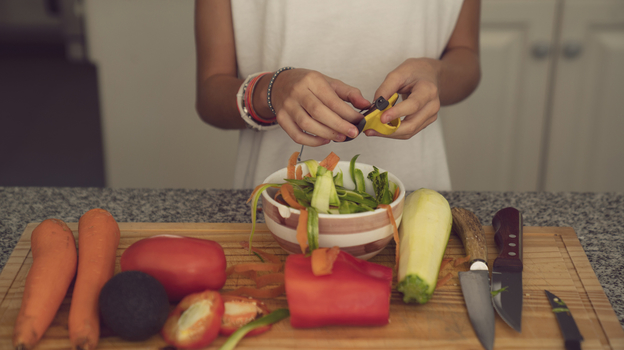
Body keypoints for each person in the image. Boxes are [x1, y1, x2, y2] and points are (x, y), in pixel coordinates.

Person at [195, 0, 481, 191]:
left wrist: (436, 75)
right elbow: (210, 94)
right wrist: (273, 89)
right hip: (277, 195)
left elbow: (466, 58)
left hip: (414, 192)